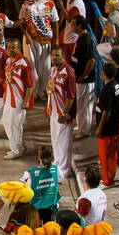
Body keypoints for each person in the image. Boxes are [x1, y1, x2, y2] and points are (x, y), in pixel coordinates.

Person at [96, 58, 119, 186]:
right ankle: (110, 176)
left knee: (106, 156)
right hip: (115, 126)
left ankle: (107, 180)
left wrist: (100, 129)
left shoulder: (107, 89)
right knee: (112, 155)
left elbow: (106, 112)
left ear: (103, 73)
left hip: (107, 129)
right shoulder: (116, 84)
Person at [2, 37, 35, 159]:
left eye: (13, 47)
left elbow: (30, 86)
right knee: (6, 122)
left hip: (18, 100)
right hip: (8, 98)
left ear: (18, 48)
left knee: (14, 125)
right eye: (9, 47)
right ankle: (18, 145)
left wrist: (26, 101)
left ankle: (16, 150)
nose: (10, 49)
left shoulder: (24, 63)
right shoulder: (8, 61)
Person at [46, 47, 76, 180]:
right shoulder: (52, 70)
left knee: (64, 142)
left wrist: (65, 113)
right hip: (53, 111)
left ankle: (64, 170)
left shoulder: (68, 73)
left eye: (57, 55)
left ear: (63, 56)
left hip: (63, 113)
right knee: (56, 140)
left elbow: (71, 96)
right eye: (53, 56)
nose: (54, 58)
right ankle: (57, 163)